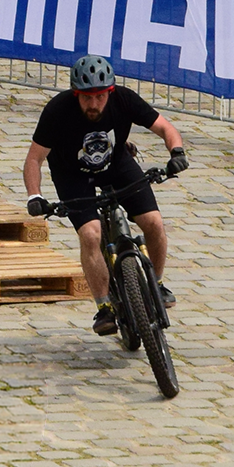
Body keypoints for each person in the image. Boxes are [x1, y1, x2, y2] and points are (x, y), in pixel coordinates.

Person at [22, 54, 189, 336]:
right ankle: (104, 307)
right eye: (87, 97)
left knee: (154, 223)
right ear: (76, 94)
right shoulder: (57, 111)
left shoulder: (124, 100)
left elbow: (165, 127)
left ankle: (157, 285)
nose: (94, 104)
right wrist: (34, 196)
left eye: (100, 97)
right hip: (72, 174)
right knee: (90, 234)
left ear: (109, 92)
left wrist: (177, 152)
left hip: (117, 163)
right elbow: (33, 159)